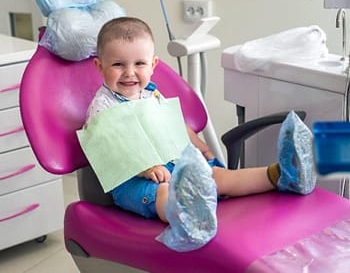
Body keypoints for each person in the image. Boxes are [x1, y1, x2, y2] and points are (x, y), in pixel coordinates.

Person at [85, 16, 316, 224]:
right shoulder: (102, 107)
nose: (129, 72)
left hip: (175, 164)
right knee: (164, 192)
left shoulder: (151, 93)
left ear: (153, 65)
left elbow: (172, 125)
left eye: (139, 64)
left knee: (219, 176)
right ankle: (188, 214)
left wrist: (199, 145)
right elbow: (108, 148)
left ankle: (282, 174)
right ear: (99, 66)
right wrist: (143, 168)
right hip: (136, 179)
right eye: (118, 64)